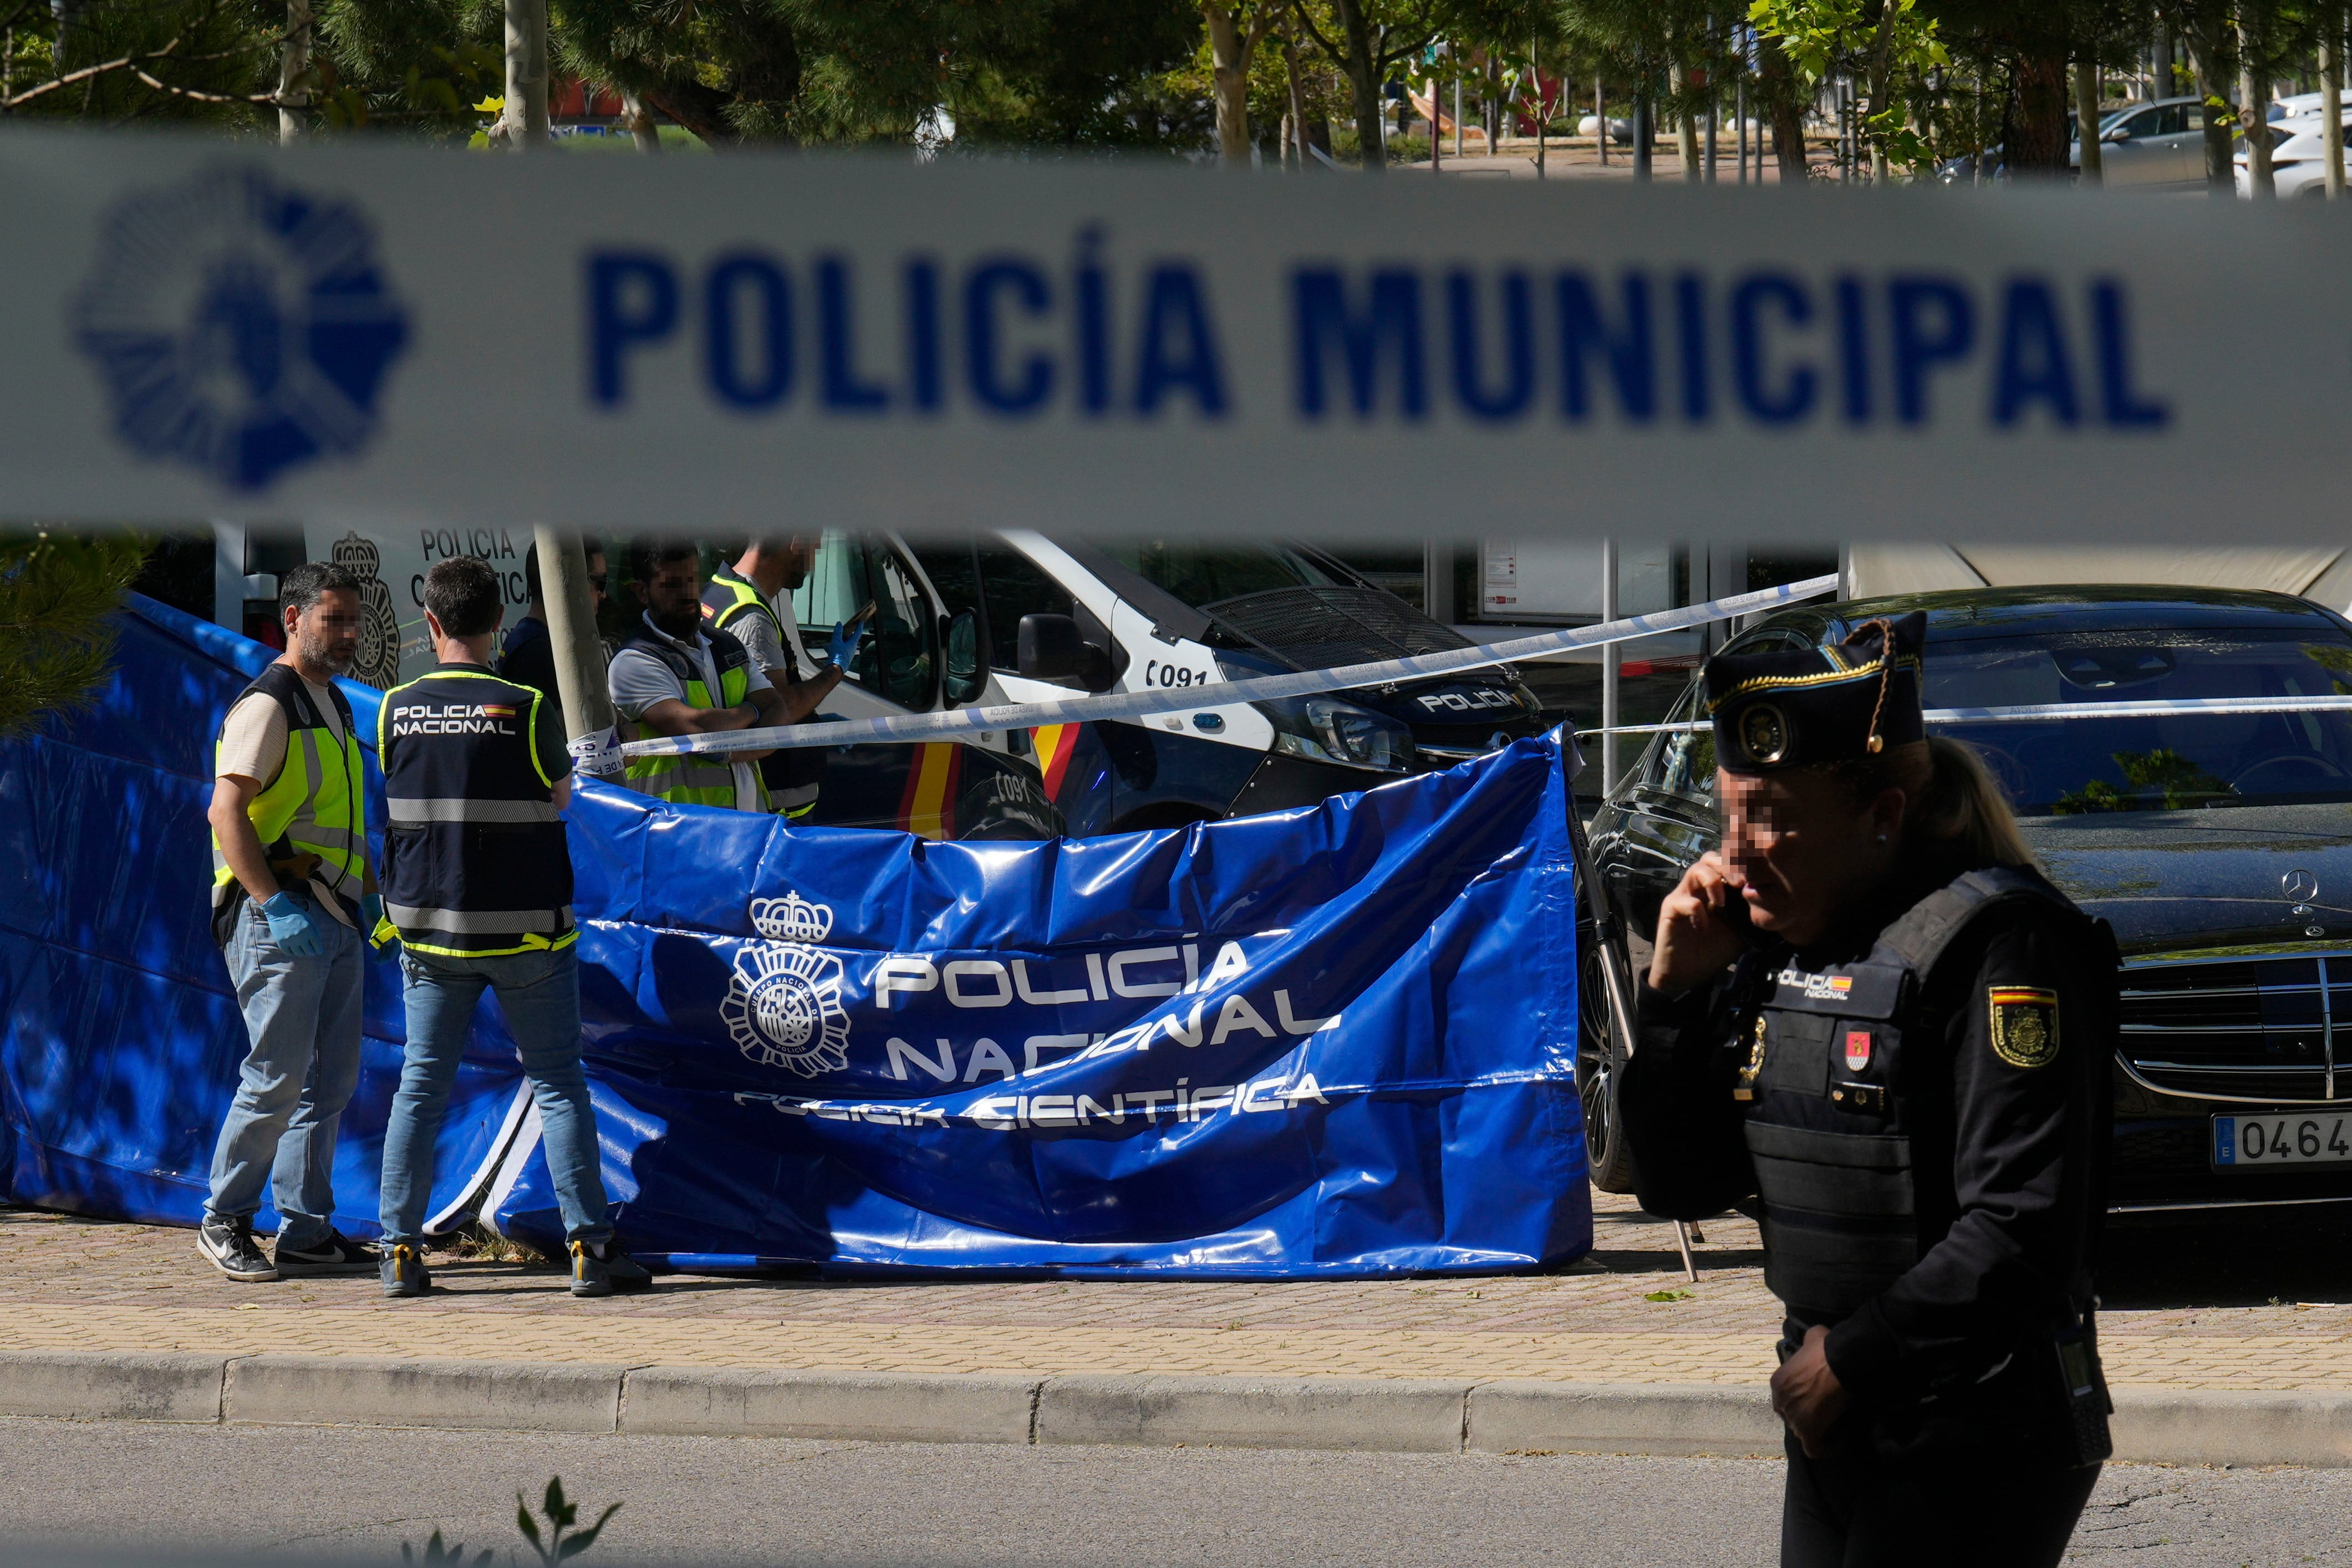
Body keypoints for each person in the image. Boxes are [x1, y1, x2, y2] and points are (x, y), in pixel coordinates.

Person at [1619, 612, 2117, 1568]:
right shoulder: (1784, 938)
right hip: (1842, 1415)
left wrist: (1847, 1360)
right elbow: (1676, 1182)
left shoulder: (1997, 947)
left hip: (1975, 1430)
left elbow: (2023, 1226)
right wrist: (1675, 999)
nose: (1733, 851)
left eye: (1768, 813)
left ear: (1882, 814)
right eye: (1726, 813)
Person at [374, 556, 652, 1300]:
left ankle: (399, 1252)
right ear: (497, 622)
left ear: (430, 623)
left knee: (421, 1090)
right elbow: (561, 798)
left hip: (431, 939)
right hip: (528, 937)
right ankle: (590, 1251)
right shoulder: (524, 708)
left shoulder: (393, 709)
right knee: (559, 1085)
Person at [199, 562, 383, 1282]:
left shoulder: (331, 701)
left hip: (331, 915)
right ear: (293, 620)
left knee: (328, 1081)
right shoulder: (270, 704)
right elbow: (225, 812)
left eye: (352, 621)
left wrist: (370, 904)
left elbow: (335, 821)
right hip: (280, 915)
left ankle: (306, 1230)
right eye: (332, 620)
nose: (346, 635)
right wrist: (272, 904)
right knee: (277, 1076)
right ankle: (225, 1218)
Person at [607, 538, 783, 812]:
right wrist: (752, 711)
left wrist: (727, 749)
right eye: (672, 585)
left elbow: (779, 713)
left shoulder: (729, 646)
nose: (688, 593)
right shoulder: (634, 662)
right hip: (679, 830)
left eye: (692, 580)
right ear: (642, 592)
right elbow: (702, 730)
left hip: (748, 823)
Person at [700, 536, 862, 819]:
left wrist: (811, 726)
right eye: (814, 545)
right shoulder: (752, 617)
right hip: (774, 808)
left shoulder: (719, 590)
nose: (815, 558)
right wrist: (835, 670)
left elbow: (739, 694)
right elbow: (779, 707)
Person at [500, 539, 609, 733]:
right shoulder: (538, 650)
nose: (603, 595)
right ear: (570, 581)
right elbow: (570, 738)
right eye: (600, 583)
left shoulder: (529, 640)